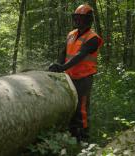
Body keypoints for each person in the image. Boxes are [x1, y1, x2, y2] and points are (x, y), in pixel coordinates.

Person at [49, 4, 103, 142]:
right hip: (68, 77)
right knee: (68, 106)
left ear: (88, 20)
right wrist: (58, 67)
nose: (78, 21)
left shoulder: (93, 38)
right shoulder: (71, 34)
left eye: (81, 18)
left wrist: (63, 67)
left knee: (81, 108)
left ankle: (83, 138)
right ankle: (72, 134)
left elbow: (80, 55)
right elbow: (64, 52)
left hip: (83, 78)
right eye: (77, 18)